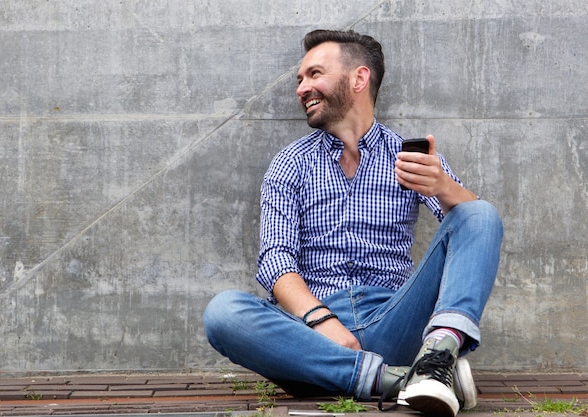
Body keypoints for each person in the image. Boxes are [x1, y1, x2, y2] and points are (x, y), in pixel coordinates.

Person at [203, 29, 503, 417]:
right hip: (313, 339)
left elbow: (474, 231)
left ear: (358, 79)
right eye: (300, 79)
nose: (301, 88)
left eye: (314, 74)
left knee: (480, 212)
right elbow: (276, 261)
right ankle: (401, 379)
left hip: (396, 318)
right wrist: (322, 321)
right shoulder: (289, 164)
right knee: (223, 312)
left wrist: (444, 187)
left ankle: (438, 352)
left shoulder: (408, 157)